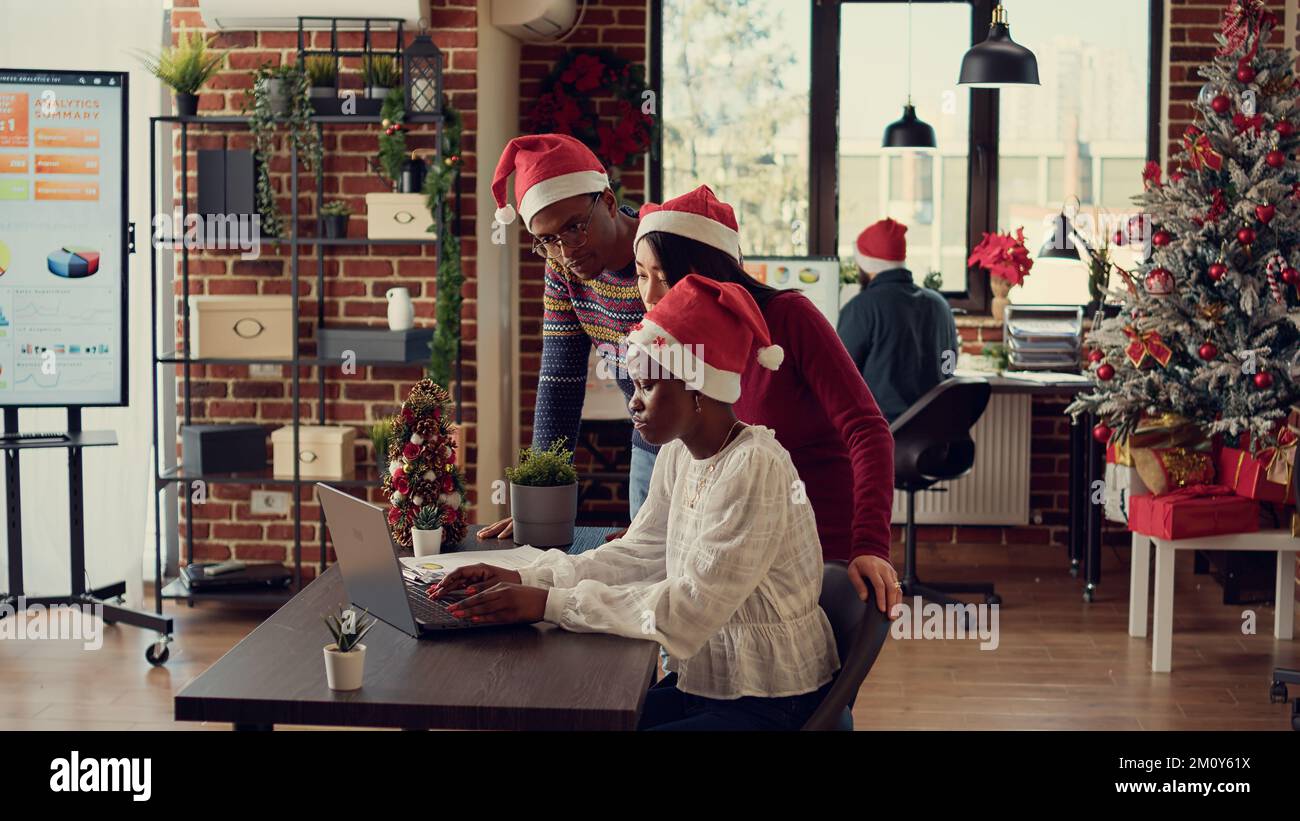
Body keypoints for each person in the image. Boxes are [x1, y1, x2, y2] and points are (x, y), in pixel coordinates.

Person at [432, 275, 840, 731]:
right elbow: (639, 555)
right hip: (706, 684)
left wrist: (546, 603)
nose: (635, 403)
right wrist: (525, 577)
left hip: (770, 697)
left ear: (697, 387)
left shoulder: (754, 466)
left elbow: (686, 610)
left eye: (648, 386)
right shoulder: (678, 453)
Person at [634, 186, 901, 614]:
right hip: (730, 546)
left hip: (813, 546)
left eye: (664, 277)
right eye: (641, 275)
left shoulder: (791, 317)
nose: (649, 296)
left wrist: (870, 544)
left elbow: (868, 430)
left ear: (704, 270)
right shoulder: (676, 341)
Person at [476, 134, 655, 541]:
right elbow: (560, 382)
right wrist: (539, 501)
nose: (565, 251)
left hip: (710, 446)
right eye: (547, 240)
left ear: (608, 202)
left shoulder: (659, 252)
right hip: (648, 440)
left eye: (574, 228)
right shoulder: (563, 271)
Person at [836, 217, 960, 423]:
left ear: (866, 265)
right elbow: (949, 365)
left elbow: (839, 377)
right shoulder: (940, 304)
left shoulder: (862, 308)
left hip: (885, 437)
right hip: (936, 435)